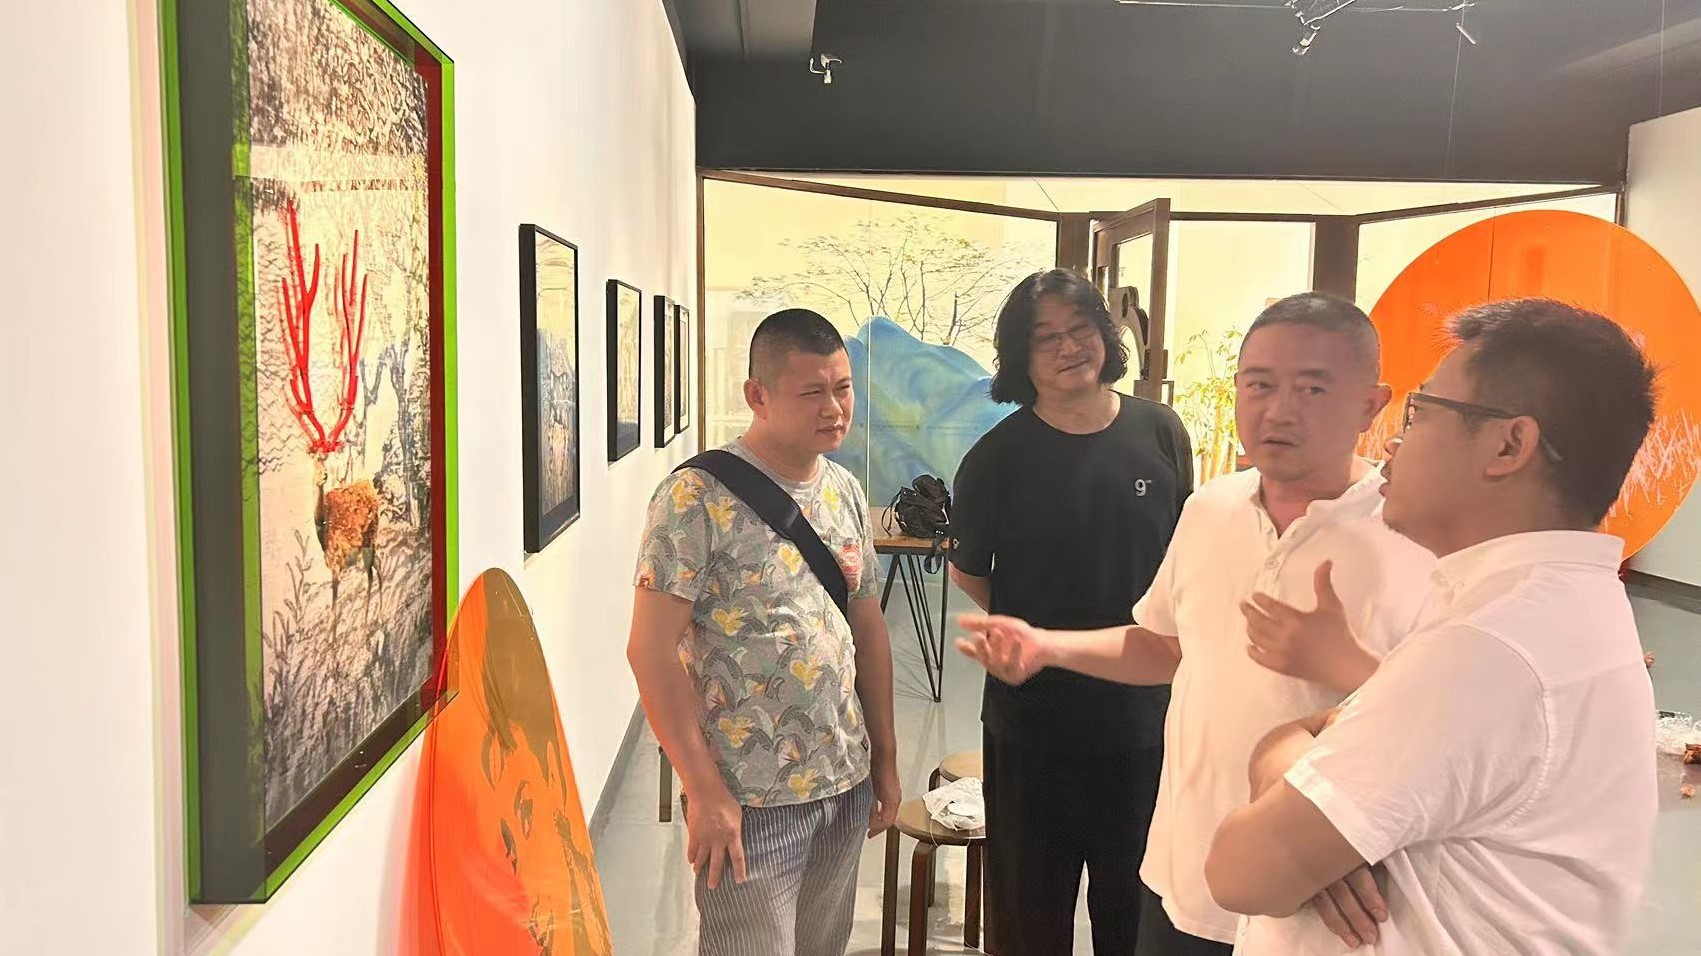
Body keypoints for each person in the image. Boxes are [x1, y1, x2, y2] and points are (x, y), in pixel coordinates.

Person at [957, 292, 1435, 955]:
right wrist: (1045, 645)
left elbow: (1452, 734)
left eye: (1312, 388)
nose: (1279, 410)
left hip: (1316, 896)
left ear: (1370, 404)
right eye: (1259, 385)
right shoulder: (1211, 510)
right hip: (1180, 877)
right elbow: (1164, 644)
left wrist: (1349, 682)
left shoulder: (1418, 537)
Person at [1205, 298, 1659, 955]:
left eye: (1420, 412)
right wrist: (1313, 810)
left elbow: (1240, 873)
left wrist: (1286, 764)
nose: (1392, 440)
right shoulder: (1558, 608)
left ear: (1508, 445)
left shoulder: (1485, 651)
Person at [627, 308, 901, 956]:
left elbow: (867, 630)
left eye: (842, 388)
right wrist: (703, 791)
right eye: (812, 392)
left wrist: (886, 762)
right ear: (757, 395)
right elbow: (649, 650)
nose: (834, 408)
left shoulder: (844, 490)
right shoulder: (695, 496)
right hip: (748, 797)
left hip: (842, 781)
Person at [948, 269, 1194, 955]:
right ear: (1019, 358)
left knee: (1137, 918)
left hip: (1145, 721)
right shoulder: (996, 458)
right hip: (1034, 725)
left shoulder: (1160, 431)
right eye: (1045, 337)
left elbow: (1184, 558)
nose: (1067, 348)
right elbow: (969, 573)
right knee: (1030, 921)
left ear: (1105, 336)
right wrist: (1042, 638)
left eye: (1079, 329)